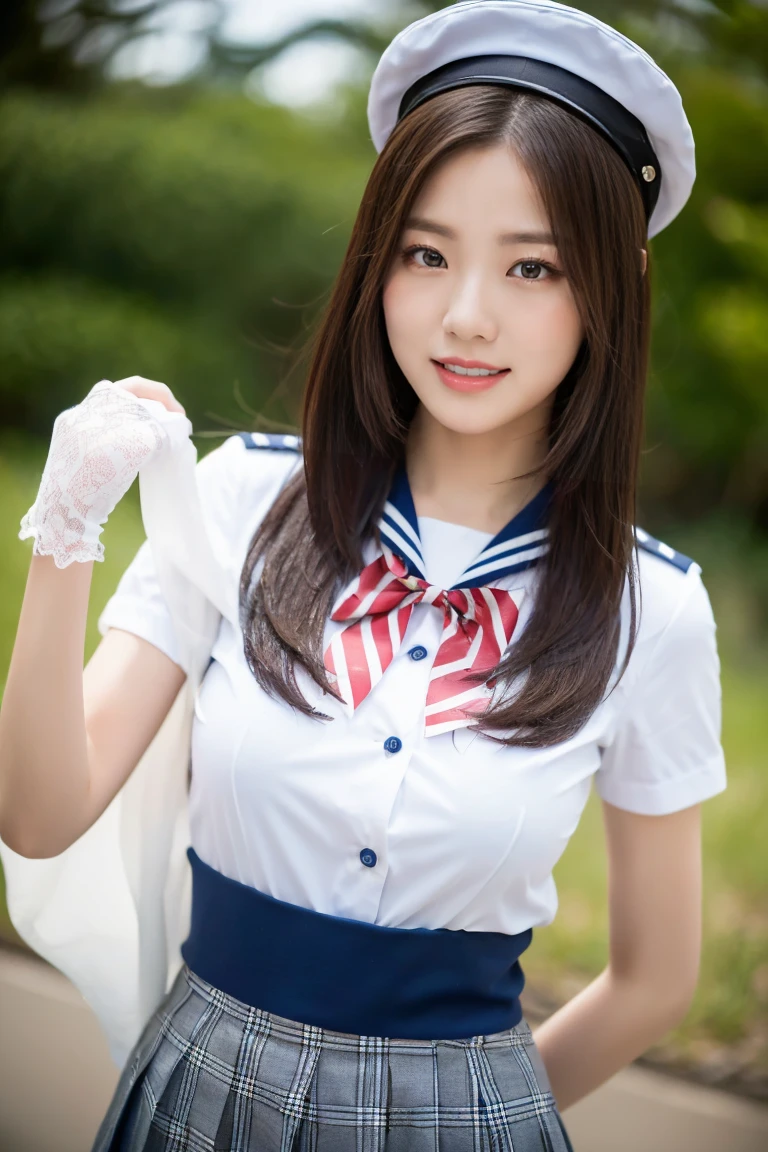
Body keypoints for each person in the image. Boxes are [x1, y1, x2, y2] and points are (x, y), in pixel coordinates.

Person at [0, 1, 727, 1149]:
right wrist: (64, 531)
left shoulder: (654, 611)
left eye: (533, 266)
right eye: (425, 254)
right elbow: (39, 816)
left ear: (612, 285)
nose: (467, 315)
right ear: (374, 258)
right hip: (194, 1092)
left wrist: (470, 1117)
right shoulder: (243, 502)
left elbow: (654, 982)